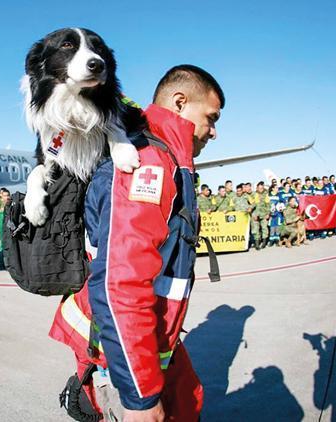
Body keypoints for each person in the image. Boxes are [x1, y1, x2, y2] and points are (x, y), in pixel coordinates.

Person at [49, 64, 223, 421]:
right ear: (179, 101)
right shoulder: (149, 163)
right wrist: (140, 397)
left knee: (190, 402)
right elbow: (121, 285)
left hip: (145, 339)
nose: (214, 131)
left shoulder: (168, 158)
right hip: (120, 351)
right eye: (211, 117)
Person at [250, 181, 270, 249]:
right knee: (256, 229)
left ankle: (264, 242)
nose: (261, 189)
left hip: (264, 214)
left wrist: (268, 213)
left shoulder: (266, 194)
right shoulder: (253, 194)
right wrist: (253, 214)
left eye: (262, 188)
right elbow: (252, 205)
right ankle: (257, 243)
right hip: (255, 215)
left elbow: (268, 205)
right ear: (257, 188)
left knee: (264, 228)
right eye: (259, 188)